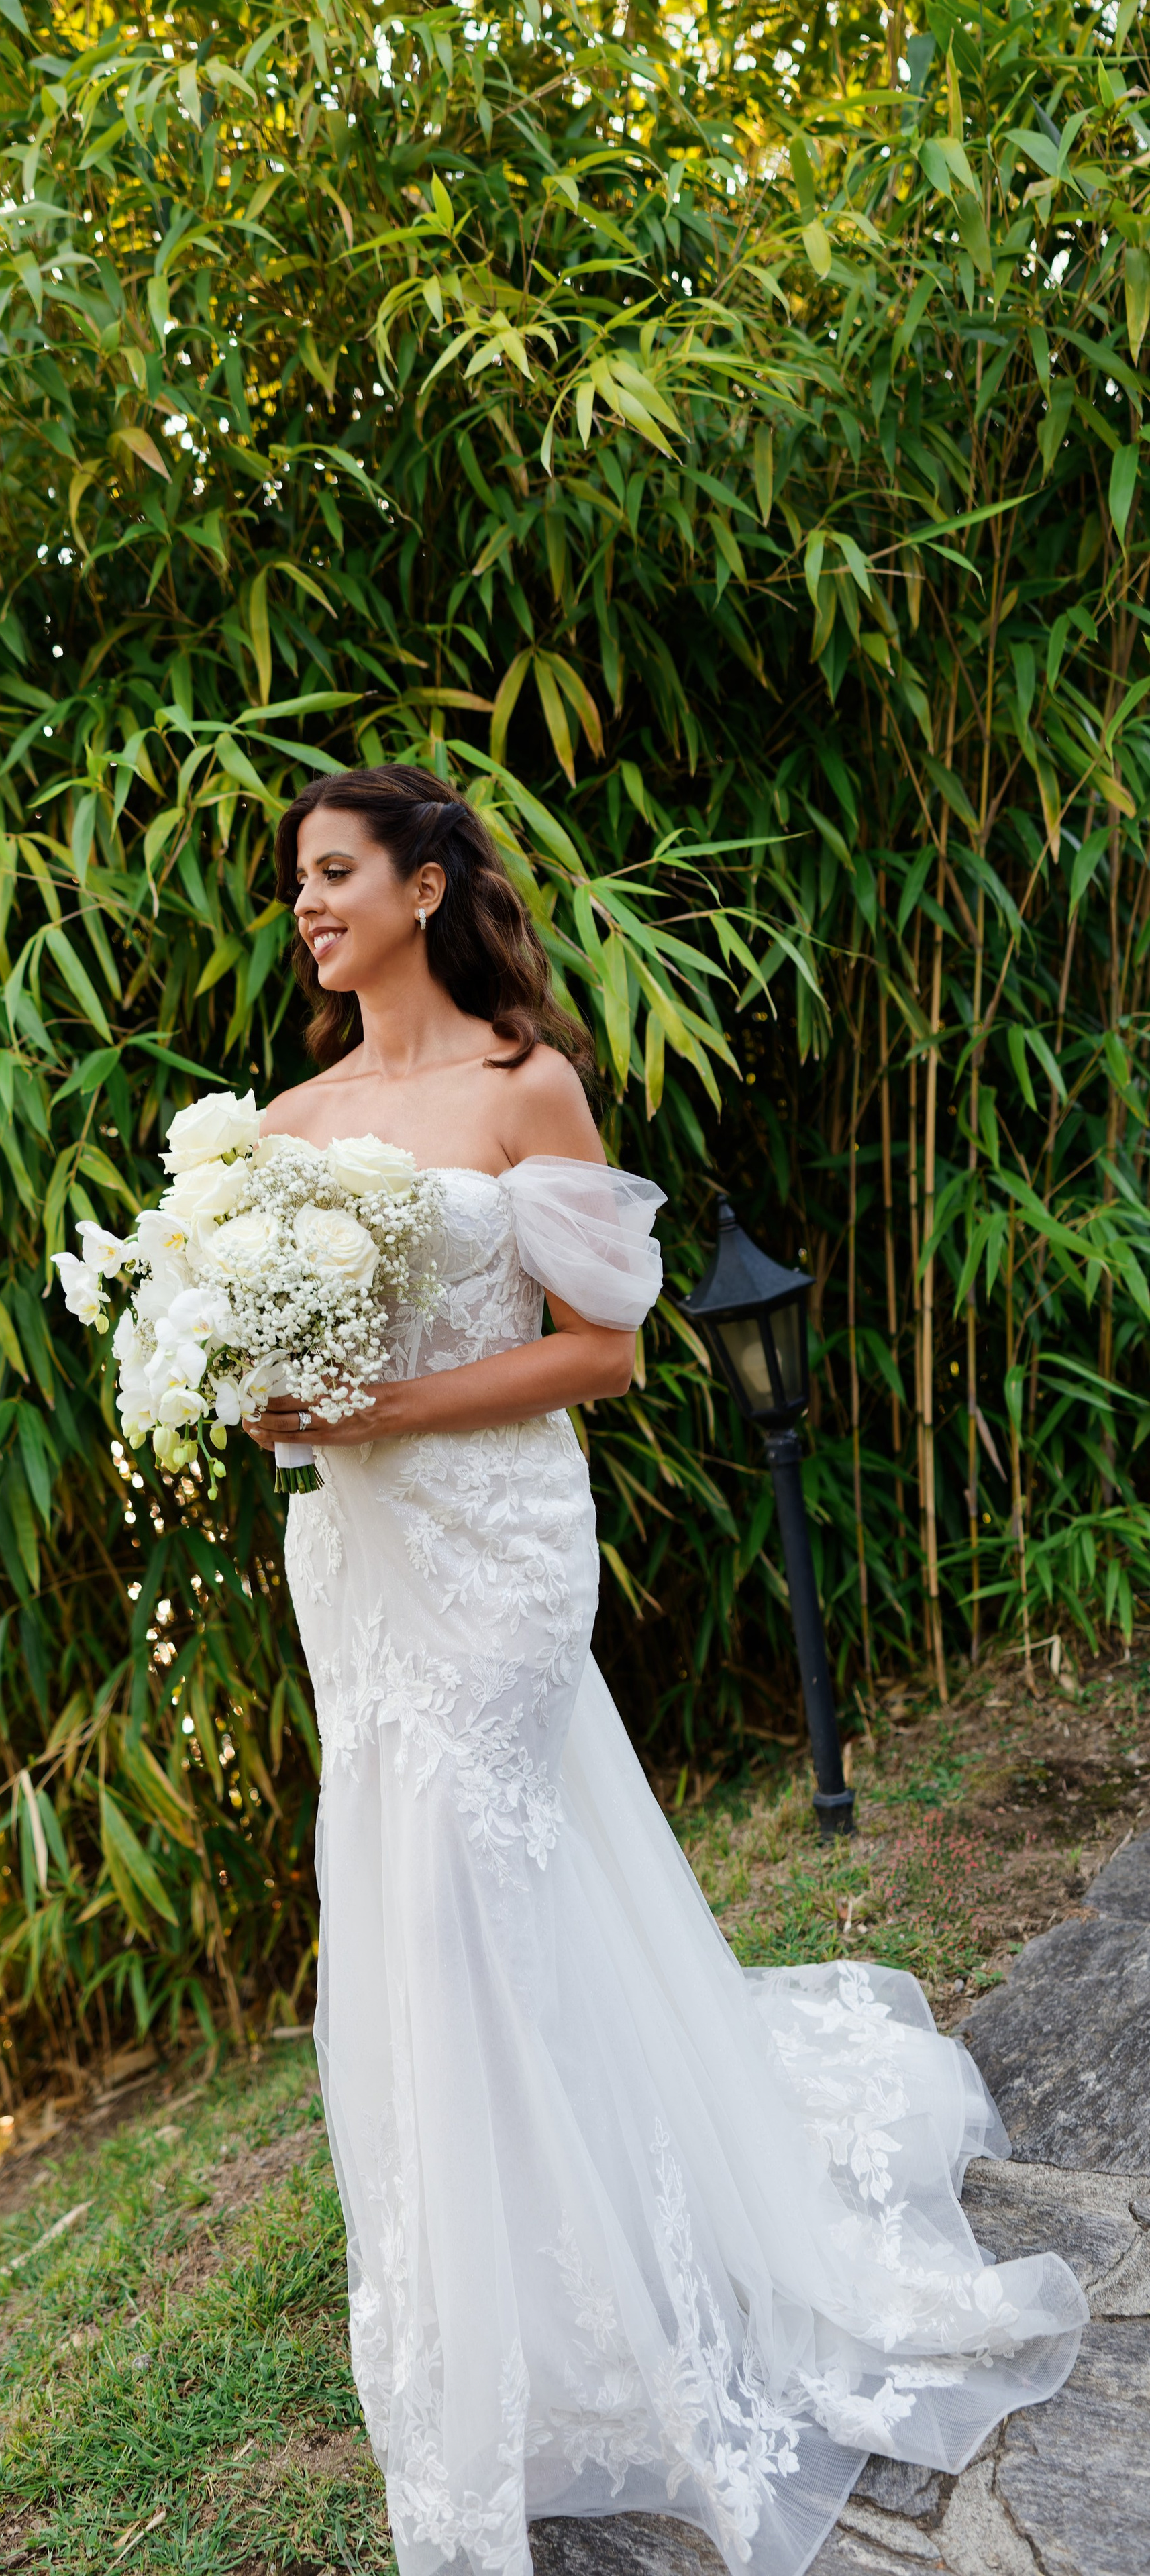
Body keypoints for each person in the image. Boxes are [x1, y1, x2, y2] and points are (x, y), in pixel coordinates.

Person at [240, 764, 1084, 2576]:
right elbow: (273, 1367)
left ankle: (625, 2287)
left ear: (425, 886)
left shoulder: (518, 1080)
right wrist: (261, 1397)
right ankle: (497, 2308)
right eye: (297, 881)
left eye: (333, 872)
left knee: (478, 1877)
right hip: (363, 1561)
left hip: (505, 1544)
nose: (306, 904)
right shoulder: (280, 1125)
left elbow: (604, 1352)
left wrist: (381, 1408)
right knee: (407, 1895)